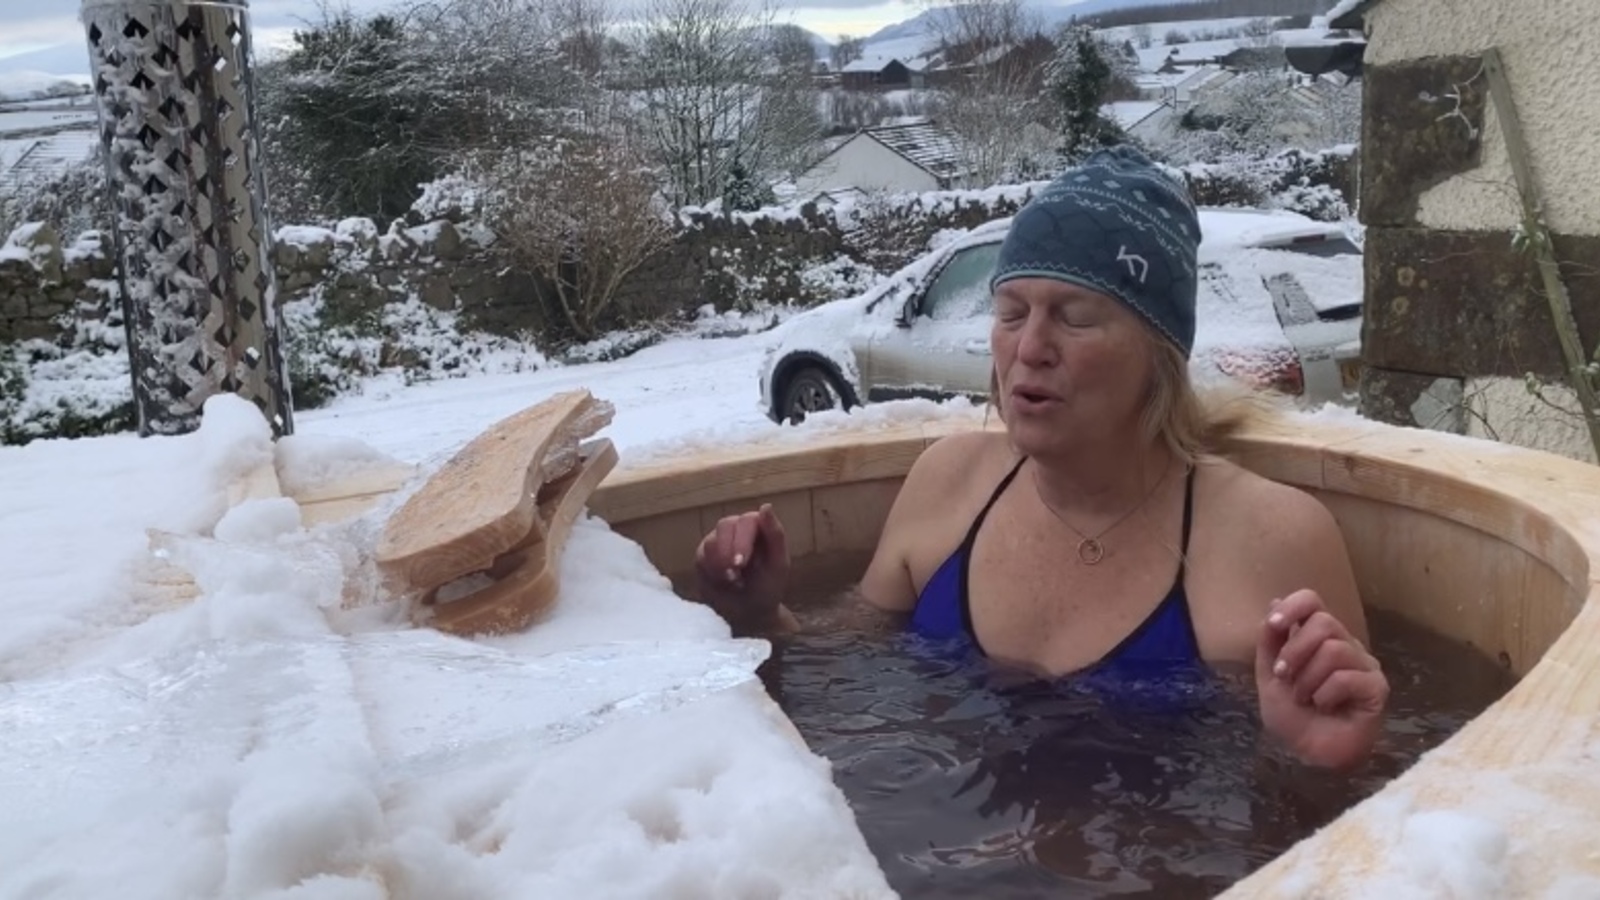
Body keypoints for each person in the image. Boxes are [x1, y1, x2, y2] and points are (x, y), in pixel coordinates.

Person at [694, 145, 1389, 773]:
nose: (1030, 348)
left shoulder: (1271, 538)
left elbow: (1364, 813)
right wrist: (763, 617)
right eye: (1011, 311)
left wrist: (1315, 764)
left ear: (1160, 351)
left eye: (1075, 315)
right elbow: (851, 661)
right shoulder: (950, 481)